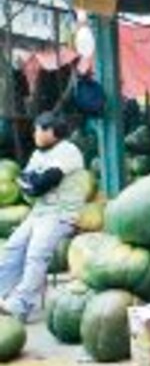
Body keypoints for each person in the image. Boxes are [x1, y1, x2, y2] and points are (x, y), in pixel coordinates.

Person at [0, 112, 85, 321]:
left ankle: (22, 303)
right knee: (14, 246)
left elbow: (42, 183)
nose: (35, 133)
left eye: (40, 129)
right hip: (40, 213)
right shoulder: (39, 154)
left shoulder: (68, 151)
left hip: (62, 213)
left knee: (36, 255)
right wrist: (31, 183)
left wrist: (33, 183)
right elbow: (24, 180)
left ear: (53, 132)